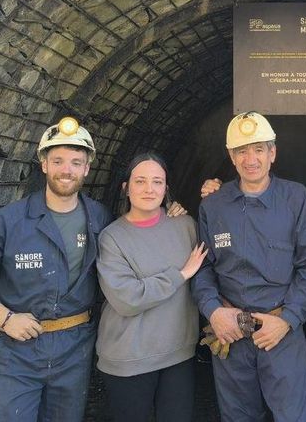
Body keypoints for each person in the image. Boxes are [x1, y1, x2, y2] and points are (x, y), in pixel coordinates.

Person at [0, 117, 112, 421]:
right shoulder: (10, 221)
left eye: (76, 162)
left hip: (73, 350)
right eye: (58, 160)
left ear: (87, 168)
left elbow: (136, 233)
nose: (67, 170)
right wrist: (4, 316)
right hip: (15, 352)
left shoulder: (99, 218)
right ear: (44, 165)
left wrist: (172, 210)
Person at [191, 111, 306, 422]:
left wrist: (288, 319)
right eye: (242, 151)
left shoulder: (296, 199)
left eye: (259, 149)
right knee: (237, 417)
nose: (251, 159)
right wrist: (213, 311)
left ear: (273, 153)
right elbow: (203, 267)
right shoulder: (213, 205)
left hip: (280, 332)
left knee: (294, 416)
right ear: (231, 156)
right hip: (229, 332)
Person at [95, 152, 208, 422]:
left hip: (178, 353)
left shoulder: (185, 225)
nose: (149, 189)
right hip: (129, 358)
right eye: (140, 181)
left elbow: (208, 276)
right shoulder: (112, 238)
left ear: (166, 189)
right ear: (126, 188)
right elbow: (127, 299)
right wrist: (180, 275)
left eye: (157, 182)